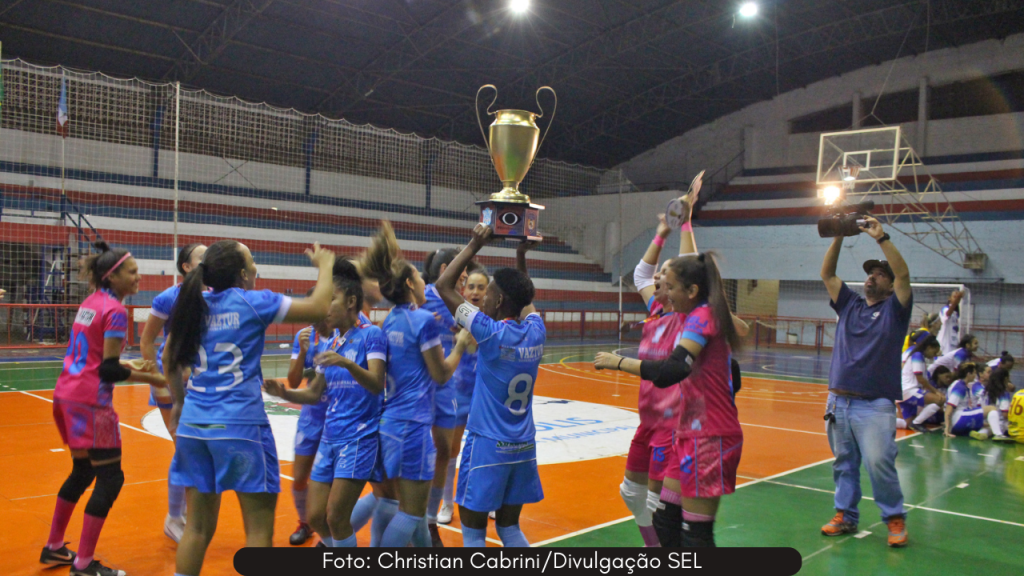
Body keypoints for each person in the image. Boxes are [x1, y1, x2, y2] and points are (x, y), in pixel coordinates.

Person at [163, 240, 335, 576]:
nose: (257, 267)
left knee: (197, 529)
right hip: (241, 429)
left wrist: (180, 403)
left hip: (195, 429)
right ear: (243, 274)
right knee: (257, 531)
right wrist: (325, 265)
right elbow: (318, 308)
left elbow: (169, 359)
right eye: (253, 262)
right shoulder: (254, 302)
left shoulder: (192, 305)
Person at [41, 242, 166, 576]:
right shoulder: (115, 311)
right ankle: (83, 564)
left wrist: (130, 363)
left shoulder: (91, 303)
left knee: (83, 472)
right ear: (113, 277)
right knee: (111, 479)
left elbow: (95, 356)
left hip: (66, 395)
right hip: (90, 403)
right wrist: (150, 377)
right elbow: (108, 371)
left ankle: (53, 546)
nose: (139, 276)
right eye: (133, 271)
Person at [434, 224, 546, 548]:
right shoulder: (536, 332)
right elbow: (526, 299)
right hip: (523, 446)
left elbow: (443, 285)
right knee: (510, 528)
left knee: (473, 533)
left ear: (498, 302)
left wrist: (475, 243)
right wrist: (521, 254)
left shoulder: (490, 332)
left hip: (487, 447)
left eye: (490, 291)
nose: (484, 296)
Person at [263, 259, 388, 547]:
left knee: (336, 518)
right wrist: (283, 394)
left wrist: (345, 363)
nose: (325, 306)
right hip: (329, 437)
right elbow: (313, 394)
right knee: (316, 517)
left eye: (332, 299)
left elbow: (376, 383)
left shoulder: (372, 335)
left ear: (351, 302)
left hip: (358, 437)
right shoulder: (331, 342)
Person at [361, 221, 468, 547]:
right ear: (410, 283)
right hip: (413, 424)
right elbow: (441, 374)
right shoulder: (421, 319)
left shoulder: (389, 319)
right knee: (412, 512)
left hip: (390, 421)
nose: (425, 281)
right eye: (420, 278)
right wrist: (461, 343)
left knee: (393, 504)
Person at [817, 216, 912, 548]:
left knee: (878, 461)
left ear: (889, 285)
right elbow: (827, 274)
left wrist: (881, 237)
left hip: (875, 403)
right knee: (844, 463)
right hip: (838, 400)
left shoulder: (895, 311)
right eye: (871, 272)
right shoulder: (850, 305)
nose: (873, 276)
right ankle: (845, 515)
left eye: (880, 274)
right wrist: (839, 236)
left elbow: (904, 275)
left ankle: (894, 517)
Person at [139, 242, 207, 543]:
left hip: (204, 384)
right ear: (186, 266)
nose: (207, 262)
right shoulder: (169, 297)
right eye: (201, 258)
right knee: (184, 450)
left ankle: (185, 516)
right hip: (174, 383)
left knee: (197, 451)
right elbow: (146, 341)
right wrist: (159, 382)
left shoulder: (216, 297)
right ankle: (174, 517)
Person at [419, 247, 468, 546]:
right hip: (422, 385)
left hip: (447, 384)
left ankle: (429, 519)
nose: (463, 285)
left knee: (444, 452)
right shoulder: (425, 296)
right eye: (461, 278)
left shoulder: (453, 301)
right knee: (425, 453)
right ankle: (414, 517)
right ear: (446, 270)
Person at [437, 262, 488, 526]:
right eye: (471, 286)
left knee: (483, 450)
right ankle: (446, 502)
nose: (476, 291)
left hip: (485, 396)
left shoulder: (493, 322)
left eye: (481, 287)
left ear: (488, 292)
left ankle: (487, 500)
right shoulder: (451, 318)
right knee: (450, 450)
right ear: (463, 290)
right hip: (459, 393)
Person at [284, 288, 336, 546]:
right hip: (311, 417)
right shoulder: (303, 336)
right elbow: (293, 381)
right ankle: (305, 523)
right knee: (300, 477)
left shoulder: (344, 335)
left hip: (338, 417)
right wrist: (303, 352)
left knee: (334, 481)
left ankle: (331, 532)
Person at [899, 335, 945, 433]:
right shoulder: (917, 355)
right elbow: (919, 378)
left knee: (907, 423)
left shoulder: (917, 355)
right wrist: (936, 391)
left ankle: (879, 421)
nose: (935, 354)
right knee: (939, 400)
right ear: (929, 347)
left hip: (905, 390)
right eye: (934, 351)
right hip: (909, 390)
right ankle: (917, 423)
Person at [971, 367, 1016, 442]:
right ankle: (998, 434)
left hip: (983, 421)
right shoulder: (1004, 394)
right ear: (1005, 379)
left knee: (989, 428)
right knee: (1002, 425)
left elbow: (979, 407)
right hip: (999, 423)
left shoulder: (984, 392)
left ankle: (981, 433)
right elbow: (1005, 414)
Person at [944, 363, 985, 437]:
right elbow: (949, 408)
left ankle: (978, 433)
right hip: (958, 418)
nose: (975, 376)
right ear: (968, 374)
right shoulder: (960, 387)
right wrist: (947, 429)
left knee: (986, 424)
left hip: (957, 419)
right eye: (974, 373)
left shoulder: (961, 384)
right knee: (991, 409)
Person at [936, 290, 964, 355]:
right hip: (944, 346)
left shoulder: (956, 313)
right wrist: (957, 300)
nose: (956, 299)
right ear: (949, 298)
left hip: (952, 345)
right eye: (955, 297)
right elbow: (948, 314)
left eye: (957, 297)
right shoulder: (945, 309)